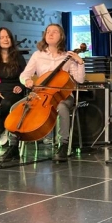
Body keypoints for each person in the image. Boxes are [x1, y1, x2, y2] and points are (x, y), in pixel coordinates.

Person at [9, 24, 85, 163]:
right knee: (15, 107)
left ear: (61, 36)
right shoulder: (38, 55)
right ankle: (13, 146)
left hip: (63, 95)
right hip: (40, 94)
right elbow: (24, 75)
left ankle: (63, 145)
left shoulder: (68, 56)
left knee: (61, 107)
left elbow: (79, 80)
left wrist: (80, 62)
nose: (50, 34)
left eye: (54, 32)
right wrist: (27, 81)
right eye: (48, 32)